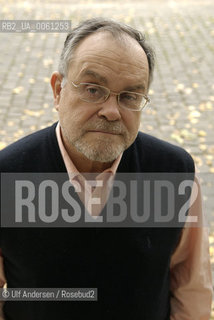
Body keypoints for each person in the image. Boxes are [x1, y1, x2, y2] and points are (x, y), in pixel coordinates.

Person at [0, 18, 213, 320]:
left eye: (129, 96)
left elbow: (191, 289)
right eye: (93, 89)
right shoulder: (7, 176)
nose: (111, 112)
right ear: (58, 90)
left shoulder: (173, 173)